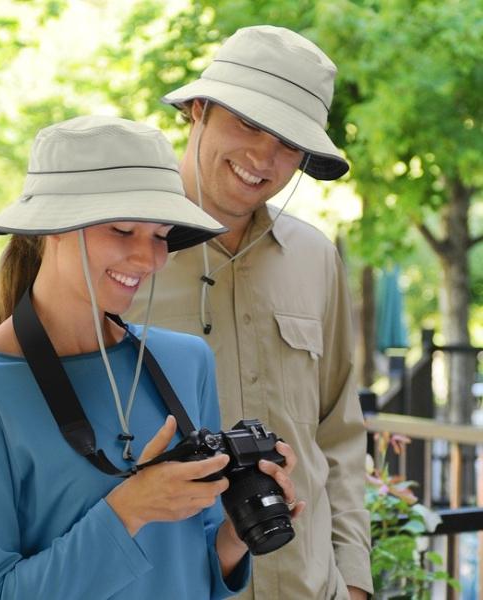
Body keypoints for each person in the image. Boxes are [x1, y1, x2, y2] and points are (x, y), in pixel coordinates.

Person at [0, 116, 304, 600]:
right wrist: (130, 508)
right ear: (53, 229)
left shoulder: (187, 362)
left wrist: (239, 532)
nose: (149, 260)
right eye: (123, 230)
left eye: (161, 235)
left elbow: (195, 567)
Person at [127, 26, 373, 599]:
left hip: (309, 587)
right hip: (168, 585)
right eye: (249, 124)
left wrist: (353, 580)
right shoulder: (116, 254)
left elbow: (338, 433)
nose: (264, 158)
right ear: (198, 109)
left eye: (289, 143)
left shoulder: (317, 258)